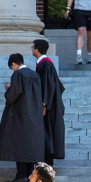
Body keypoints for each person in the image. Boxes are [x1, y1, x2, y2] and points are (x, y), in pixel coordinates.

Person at [0, 54, 46, 182]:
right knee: (30, 146)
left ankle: (21, 174)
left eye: (12, 67)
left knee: (19, 146)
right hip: (34, 116)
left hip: (20, 116)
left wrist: (8, 88)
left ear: (13, 64)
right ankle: (30, 174)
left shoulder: (18, 74)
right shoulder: (35, 75)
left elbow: (12, 96)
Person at [30, 40, 64, 168]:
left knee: (47, 131)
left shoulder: (46, 65)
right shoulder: (43, 64)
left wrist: (44, 104)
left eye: (33, 47)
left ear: (37, 49)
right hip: (47, 104)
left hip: (48, 106)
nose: (32, 49)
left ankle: (47, 162)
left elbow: (48, 85)